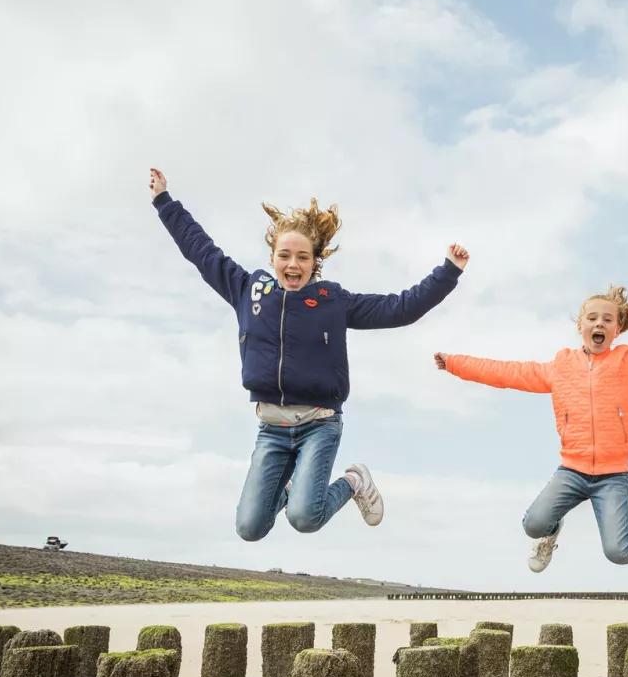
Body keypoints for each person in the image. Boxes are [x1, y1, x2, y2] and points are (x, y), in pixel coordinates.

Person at [148, 167, 467, 541]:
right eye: (285, 255)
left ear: (315, 261)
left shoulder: (332, 301)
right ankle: (291, 491)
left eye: (302, 257)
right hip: (272, 429)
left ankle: (353, 481)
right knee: (250, 528)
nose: (293, 264)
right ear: (273, 259)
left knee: (304, 518)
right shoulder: (248, 291)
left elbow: (400, 308)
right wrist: (163, 201)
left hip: (319, 424)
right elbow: (199, 250)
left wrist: (448, 273)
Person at [434, 279, 628, 578]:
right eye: (591, 318)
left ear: (617, 329)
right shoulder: (559, 369)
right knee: (533, 525)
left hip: (612, 476)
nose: (598, 324)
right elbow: (506, 372)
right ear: (580, 326)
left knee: (619, 551)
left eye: (607, 319)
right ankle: (550, 534)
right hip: (572, 471)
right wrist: (455, 363)